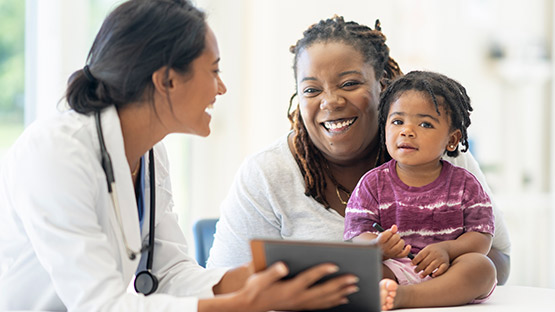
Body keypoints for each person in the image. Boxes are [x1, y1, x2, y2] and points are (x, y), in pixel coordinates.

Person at [0, 1, 360, 311]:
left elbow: (168, 273)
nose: (221, 87)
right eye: (214, 70)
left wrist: (263, 275)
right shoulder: (55, 153)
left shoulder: (150, 152)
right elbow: (100, 305)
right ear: (167, 80)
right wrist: (243, 304)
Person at [207, 15, 511, 284]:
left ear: (384, 86)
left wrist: (439, 267)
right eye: (311, 90)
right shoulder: (266, 173)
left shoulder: (441, 156)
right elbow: (222, 283)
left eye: (350, 83)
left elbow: (498, 258)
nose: (330, 101)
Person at [344, 71, 497, 310]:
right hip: (395, 268)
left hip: (450, 269)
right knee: (357, 269)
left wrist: (448, 249)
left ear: (452, 139)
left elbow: (481, 236)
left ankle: (406, 297)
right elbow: (357, 234)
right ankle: (394, 292)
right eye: (397, 121)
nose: (407, 131)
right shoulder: (372, 183)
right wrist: (377, 247)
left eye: (425, 124)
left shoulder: (465, 184)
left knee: (482, 267)